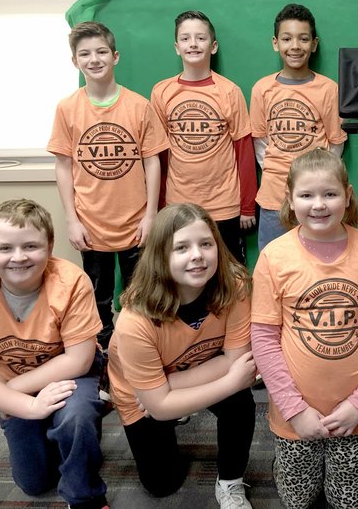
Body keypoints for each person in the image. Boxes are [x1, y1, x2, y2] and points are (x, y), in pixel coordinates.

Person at [251, 148, 358, 508]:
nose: (318, 205)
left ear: (347, 196)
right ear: (289, 200)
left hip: (356, 415)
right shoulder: (274, 256)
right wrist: (294, 409)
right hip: (294, 416)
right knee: (297, 499)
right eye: (306, 195)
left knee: (348, 501)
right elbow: (265, 339)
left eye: (329, 194)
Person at [0, 199, 109, 509]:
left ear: (50, 246)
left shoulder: (72, 281)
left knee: (75, 417)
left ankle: (85, 497)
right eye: (4, 248)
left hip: (73, 374)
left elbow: (79, 359)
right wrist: (30, 405)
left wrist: (11, 394)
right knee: (34, 484)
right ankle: (60, 432)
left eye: (31, 246)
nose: (18, 257)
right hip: (14, 382)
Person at [107, 203, 256, 507]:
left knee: (241, 404)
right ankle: (180, 411)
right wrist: (232, 381)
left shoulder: (235, 286)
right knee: (162, 485)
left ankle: (230, 481)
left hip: (178, 378)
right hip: (138, 394)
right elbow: (159, 407)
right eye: (181, 248)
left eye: (206, 244)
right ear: (160, 256)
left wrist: (170, 385)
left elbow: (235, 359)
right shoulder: (135, 319)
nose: (197, 255)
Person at [48, 21, 168, 350]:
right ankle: (104, 360)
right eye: (85, 54)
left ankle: (136, 354)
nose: (94, 59)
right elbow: (63, 165)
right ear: (75, 62)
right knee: (97, 300)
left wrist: (150, 215)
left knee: (139, 297)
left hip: (135, 221)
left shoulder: (139, 105)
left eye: (101, 51)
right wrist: (72, 220)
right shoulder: (67, 108)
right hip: (91, 222)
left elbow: (151, 160)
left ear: (115, 56)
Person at [151, 10, 257, 264]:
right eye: (185, 39)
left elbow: (244, 151)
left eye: (200, 38)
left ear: (213, 46)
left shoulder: (229, 91)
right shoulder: (161, 92)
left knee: (230, 277)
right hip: (178, 205)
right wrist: (159, 205)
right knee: (185, 274)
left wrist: (247, 206)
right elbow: (158, 157)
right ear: (177, 47)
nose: (193, 44)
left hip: (224, 205)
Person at [250, 3, 347, 250]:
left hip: (316, 200)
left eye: (303, 39)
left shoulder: (328, 89)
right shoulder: (262, 88)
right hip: (273, 196)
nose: (295, 46)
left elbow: (336, 142)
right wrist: (286, 177)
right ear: (276, 43)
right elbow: (260, 142)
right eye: (287, 38)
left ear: (314, 44)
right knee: (273, 264)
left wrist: (315, 179)